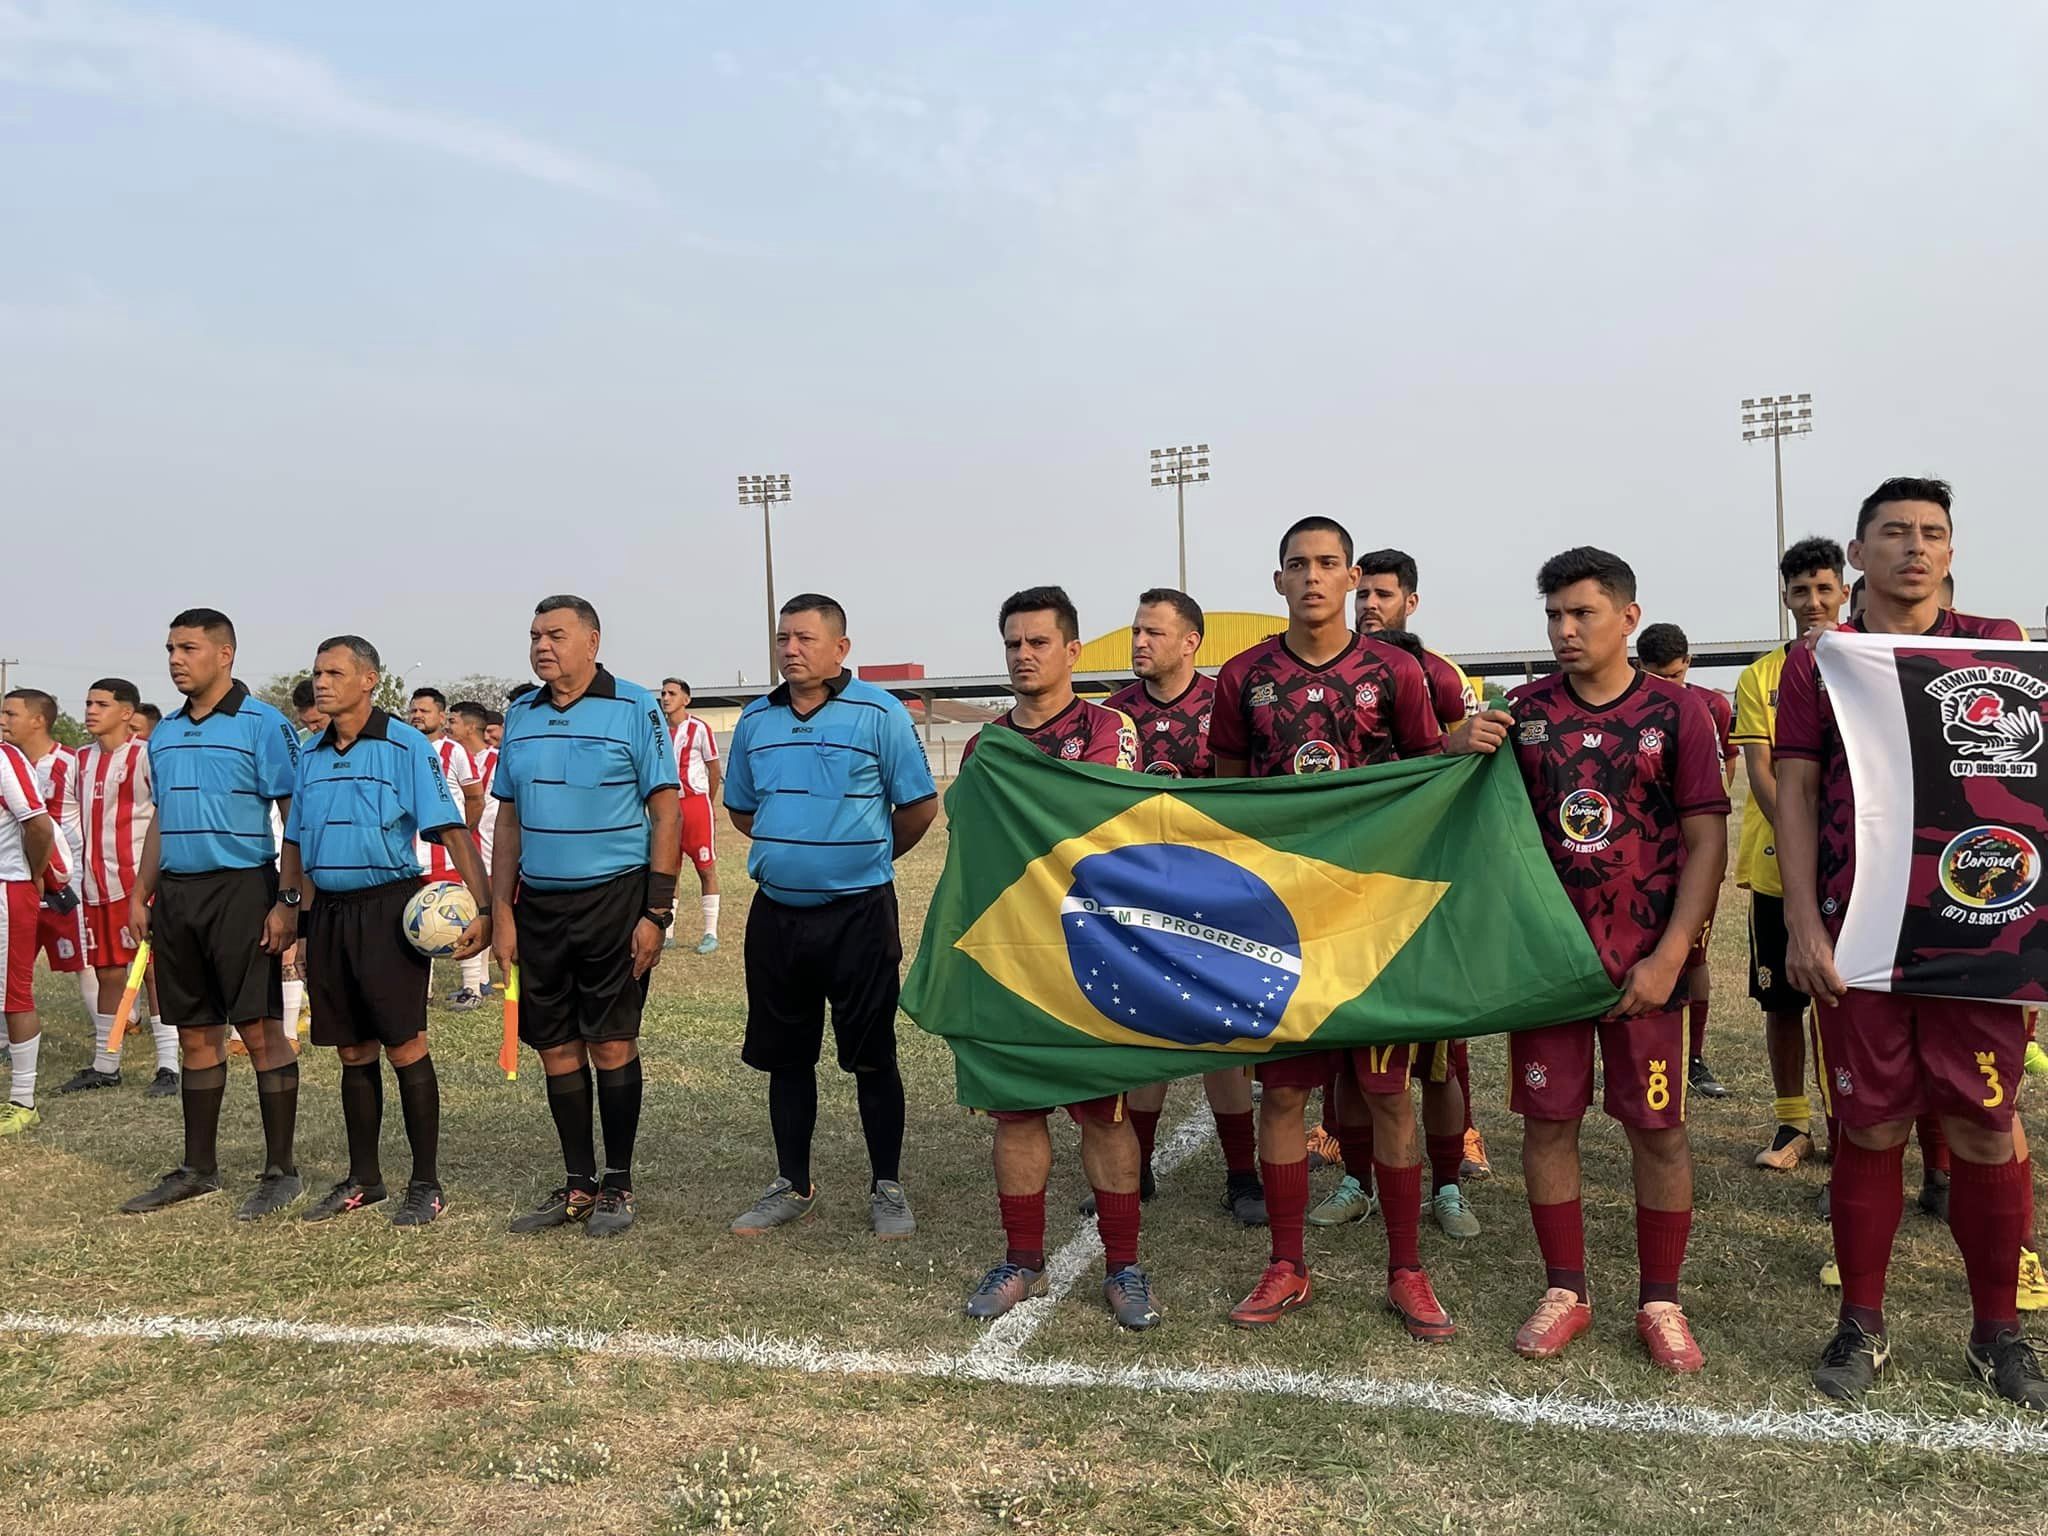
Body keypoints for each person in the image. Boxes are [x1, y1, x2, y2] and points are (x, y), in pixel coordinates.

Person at [1777, 477, 2045, 1408]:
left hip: (1981, 916)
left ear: (1952, 550)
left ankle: (1997, 1333)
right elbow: (1800, 795)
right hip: (1862, 924)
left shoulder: (1997, 646)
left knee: (1981, 1123)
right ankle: (1862, 1322)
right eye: (1893, 533)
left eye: (1933, 533)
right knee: (1872, 1122)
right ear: (1858, 554)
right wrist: (1806, 922)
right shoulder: (1822, 662)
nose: (1915, 548)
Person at [1210, 517, 1495, 1338]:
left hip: (1371, 920)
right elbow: (1230, 800)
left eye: (1328, 564)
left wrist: (1455, 741)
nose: (1312, 577)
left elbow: (1423, 778)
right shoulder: (1242, 677)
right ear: (1277, 581)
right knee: (1286, 1095)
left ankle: (1406, 1270)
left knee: (1388, 1093)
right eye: (1297, 564)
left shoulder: (1393, 671)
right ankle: (1286, 1265)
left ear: (1352, 576)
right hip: (1281, 923)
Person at [1499, 548, 1728, 1373]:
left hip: (1646, 967)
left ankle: (1661, 1300)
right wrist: (1460, 743)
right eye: (1554, 615)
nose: (1564, 630)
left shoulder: (1678, 714)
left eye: (1581, 614)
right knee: (1548, 1123)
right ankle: (1566, 1289)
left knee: (1657, 1130)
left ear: (1627, 618)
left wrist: (1672, 957)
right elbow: (1478, 821)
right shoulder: (1520, 715)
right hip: (1550, 967)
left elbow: (1708, 839)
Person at [953, 586, 1156, 1329]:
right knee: (1016, 1114)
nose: (1023, 656)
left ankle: (1125, 1266)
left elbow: (1104, 828)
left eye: (1038, 642)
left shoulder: (1110, 729)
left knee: (1104, 1115)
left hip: (1091, 957)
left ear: (1072, 651)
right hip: (1013, 956)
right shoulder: (984, 747)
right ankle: (1023, 1260)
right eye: (1012, 644)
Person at [722, 596, 938, 1245]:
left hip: (861, 915)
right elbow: (740, 809)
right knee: (786, 1058)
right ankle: (793, 1183)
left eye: (806, 638)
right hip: (777, 919)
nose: (791, 649)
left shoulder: (881, 713)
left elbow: (920, 808)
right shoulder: (755, 720)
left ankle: (888, 1186)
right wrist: (796, 850)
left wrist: (860, 858)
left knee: (872, 1056)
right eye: (783, 637)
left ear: (841, 649)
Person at [283, 636, 491, 1227]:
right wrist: (295, 917)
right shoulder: (309, 752)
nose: (322, 682)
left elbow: (451, 830)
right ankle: (364, 1179)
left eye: (335, 672)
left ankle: (425, 1182)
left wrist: (481, 907)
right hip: (328, 914)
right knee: (352, 1049)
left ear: (370, 680)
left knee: (404, 1045)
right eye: (317, 673)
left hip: (388, 910)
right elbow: (295, 841)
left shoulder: (404, 746)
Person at [491, 596, 680, 1238]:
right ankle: (577, 1183)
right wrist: (502, 910)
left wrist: (656, 909)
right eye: (535, 635)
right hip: (539, 905)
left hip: (616, 899)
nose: (543, 646)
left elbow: (667, 812)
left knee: (611, 1041)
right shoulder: (519, 714)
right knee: (555, 1047)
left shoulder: (635, 707)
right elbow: (509, 820)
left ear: (592, 641)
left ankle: (618, 1186)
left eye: (557, 635)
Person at [120, 609, 304, 1219]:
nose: (175, 659)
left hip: (241, 890)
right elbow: (161, 820)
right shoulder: (164, 734)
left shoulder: (263, 725)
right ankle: (199, 1168)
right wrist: (141, 893)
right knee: (195, 1032)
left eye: (188, 648)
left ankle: (281, 1170)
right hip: (177, 895)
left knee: (257, 1031)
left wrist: (286, 901)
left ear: (225, 654)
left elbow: (294, 819)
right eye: (170, 648)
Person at [1101, 588, 1267, 1228]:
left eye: (1154, 633)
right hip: (1138, 899)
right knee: (1144, 1030)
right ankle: (1133, 1168)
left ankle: (1242, 1175)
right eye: (1136, 632)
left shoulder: (1223, 707)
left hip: (1216, 896)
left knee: (1221, 1039)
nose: (1140, 643)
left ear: (1191, 641)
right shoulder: (1113, 716)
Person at [1353, 547, 1494, 1219]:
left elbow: (1460, 768)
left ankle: (1450, 1172)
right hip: (1353, 888)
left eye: (1382, 593)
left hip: (1426, 884)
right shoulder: (1333, 669)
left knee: (1443, 1051)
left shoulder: (1437, 676)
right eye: (1364, 593)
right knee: (1349, 1046)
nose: (1369, 604)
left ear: (1410, 600)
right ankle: (1355, 1173)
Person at [1731, 539, 1848, 1173]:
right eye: (1800, 591)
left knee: (1841, 1002)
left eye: (1824, 589)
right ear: (1786, 598)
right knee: (1781, 1002)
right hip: (1781, 870)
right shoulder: (1760, 678)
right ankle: (1792, 1121)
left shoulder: (1867, 663)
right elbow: (1762, 771)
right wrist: (1811, 844)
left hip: (1854, 875)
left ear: (1845, 593)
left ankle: (1846, 1123)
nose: (1813, 602)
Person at [1634, 622, 1740, 1102]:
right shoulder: (1633, 707)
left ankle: (1693, 1057)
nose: (1669, 687)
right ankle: (1636, 1054)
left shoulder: (1710, 706)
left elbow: (1725, 767)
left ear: (1689, 664)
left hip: (1690, 852)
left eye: (1676, 675)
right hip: (1640, 856)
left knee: (1693, 955)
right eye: (1660, 677)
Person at [67, 678, 179, 1096]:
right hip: (96, 884)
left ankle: (168, 1065)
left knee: (152, 971)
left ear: (127, 713)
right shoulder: (79, 760)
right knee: (108, 972)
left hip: (139, 882)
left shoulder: (148, 755)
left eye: (101, 703)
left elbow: (166, 814)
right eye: (88, 702)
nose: (91, 710)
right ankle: (106, 1063)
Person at [1, 691, 91, 1023]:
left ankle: (109, 1045)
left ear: (38, 720)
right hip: (20, 882)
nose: (3, 721)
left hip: (61, 881)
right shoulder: (10, 761)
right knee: (12, 965)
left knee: (81, 963)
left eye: (11, 714)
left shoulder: (71, 762)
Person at [410, 687, 485, 1009]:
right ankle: (418, 993)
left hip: (446, 858)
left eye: (424, 711)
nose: (416, 716)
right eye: (413, 710)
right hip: (411, 858)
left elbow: (475, 797)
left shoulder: (454, 752)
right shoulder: (404, 749)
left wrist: (459, 836)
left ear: (442, 717)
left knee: (459, 919)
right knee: (414, 924)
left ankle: (472, 987)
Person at [0, 735, 57, 1135]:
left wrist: (36, 873)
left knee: (12, 993)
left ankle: (23, 1100)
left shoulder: (5, 758)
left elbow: (38, 825)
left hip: (7, 885)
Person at [659, 677, 724, 954]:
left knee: (705, 868)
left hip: (695, 804)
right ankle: (668, 933)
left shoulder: (699, 729)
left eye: (671, 693)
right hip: (669, 807)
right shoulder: (657, 731)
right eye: (662, 693)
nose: (665, 697)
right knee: (668, 869)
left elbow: (713, 769)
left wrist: (706, 802)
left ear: (686, 699)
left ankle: (710, 933)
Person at [447, 701, 498, 1002]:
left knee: (484, 909)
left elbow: (490, 806)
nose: (448, 727)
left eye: (452, 721)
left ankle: (477, 984)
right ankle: (478, 981)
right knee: (474, 909)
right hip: (470, 845)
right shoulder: (456, 757)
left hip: (489, 845)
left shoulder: (495, 759)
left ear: (469, 726)